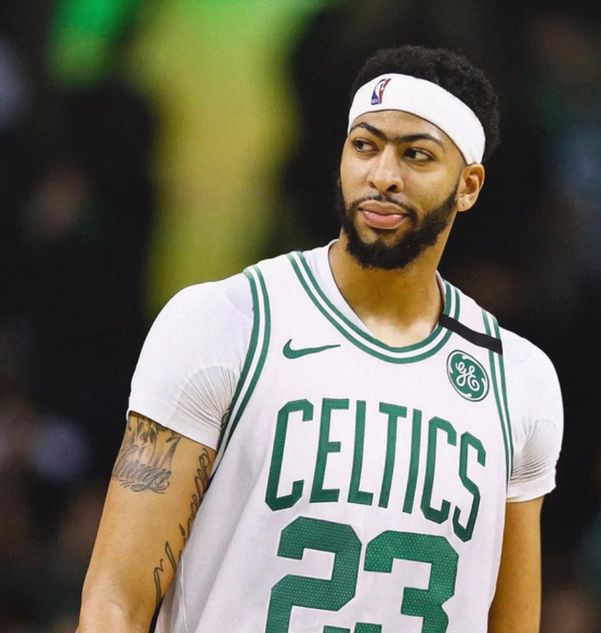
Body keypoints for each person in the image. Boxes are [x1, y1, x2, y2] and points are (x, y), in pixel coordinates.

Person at [77, 45, 563, 633]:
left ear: (468, 185)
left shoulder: (517, 379)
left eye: (416, 155)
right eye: (365, 146)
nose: (382, 176)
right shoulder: (225, 324)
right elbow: (115, 601)